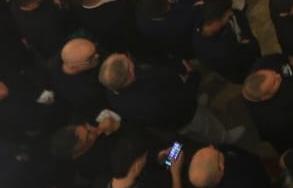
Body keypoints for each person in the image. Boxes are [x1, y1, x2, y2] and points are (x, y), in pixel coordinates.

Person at [101, 52, 240, 144]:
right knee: (208, 127)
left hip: (178, 108)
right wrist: (191, 78)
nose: (128, 57)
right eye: (128, 61)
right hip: (186, 115)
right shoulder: (149, 101)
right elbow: (183, 98)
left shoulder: (112, 90)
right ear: (129, 75)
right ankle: (224, 138)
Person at [241, 53, 293, 151]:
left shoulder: (263, 63)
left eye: (273, 73)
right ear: (265, 97)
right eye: (275, 82)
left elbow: (289, 60)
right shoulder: (276, 118)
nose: (278, 75)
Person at [186, 143, 279, 188]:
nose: (212, 146)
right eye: (215, 151)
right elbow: (256, 163)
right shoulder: (242, 172)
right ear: (220, 167)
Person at [192, 0, 262, 83]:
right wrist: (247, 44)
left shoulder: (201, 24)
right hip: (245, 71)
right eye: (227, 16)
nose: (232, 13)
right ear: (216, 23)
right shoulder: (219, 52)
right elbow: (242, 58)